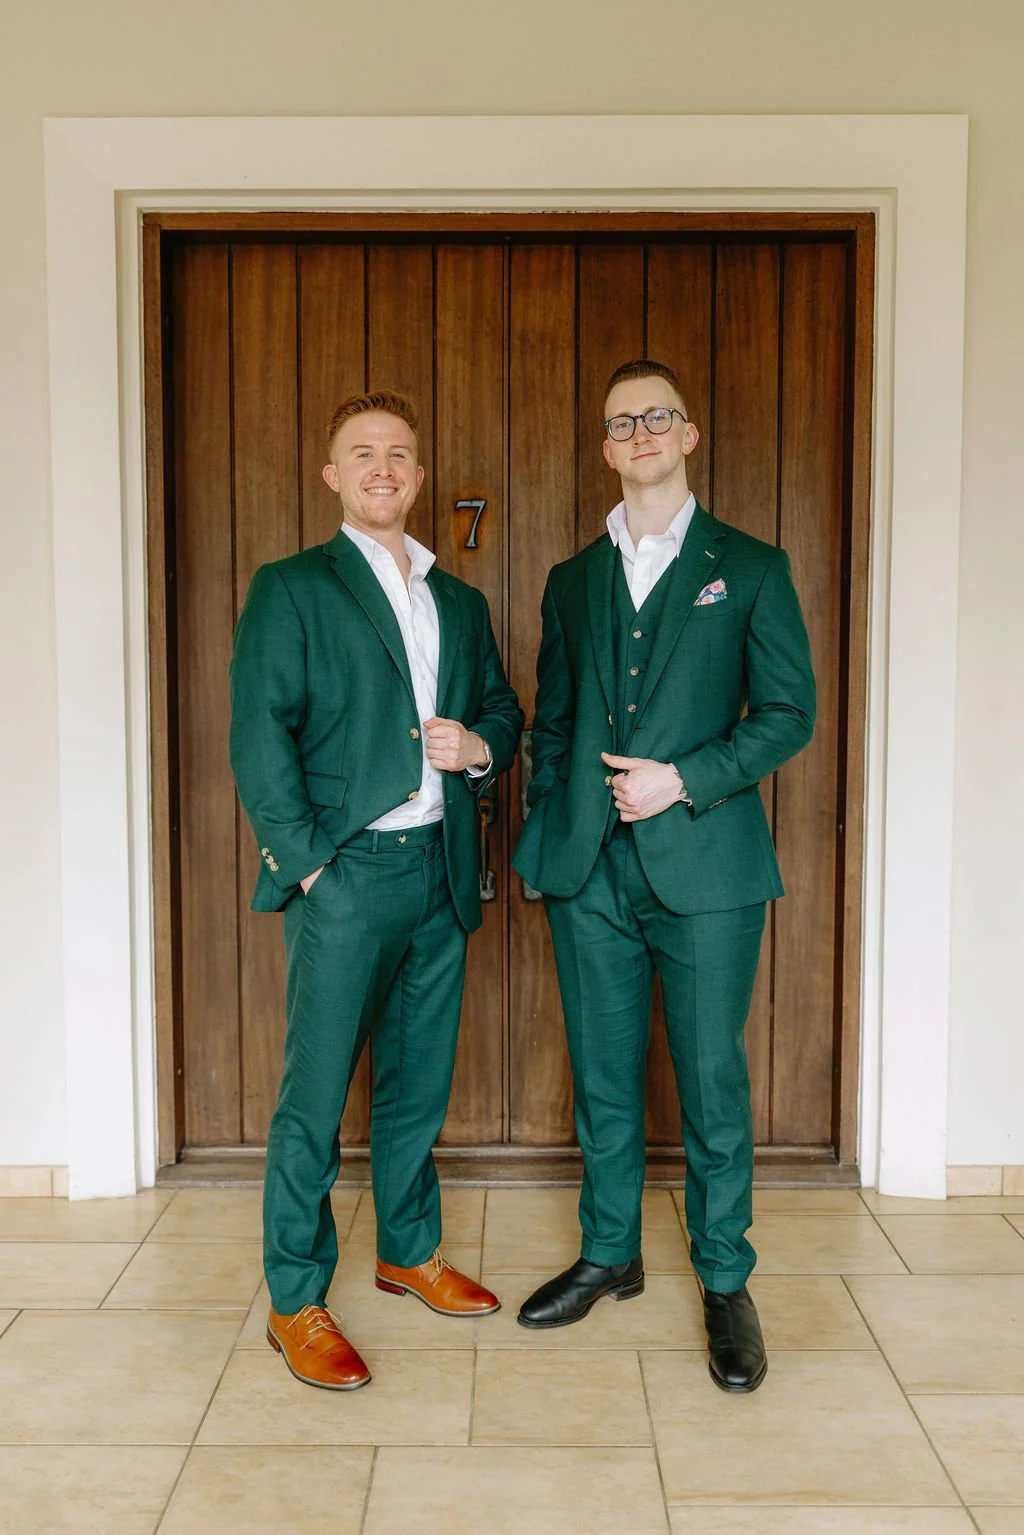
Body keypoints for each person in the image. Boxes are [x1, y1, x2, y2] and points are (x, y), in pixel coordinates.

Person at [513, 359, 815, 1391]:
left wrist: (683, 779)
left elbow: (788, 714)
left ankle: (725, 1279)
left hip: (711, 872)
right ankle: (611, 1252)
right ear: (605, 447)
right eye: (620, 421)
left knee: (709, 1080)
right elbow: (552, 725)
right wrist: (552, 834)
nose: (639, 431)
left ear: (687, 435)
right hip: (588, 871)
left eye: (657, 416)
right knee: (601, 1077)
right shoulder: (571, 579)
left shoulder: (754, 566)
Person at [230, 390, 523, 1391]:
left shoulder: (463, 602)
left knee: (416, 1084)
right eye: (363, 453)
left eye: (400, 453)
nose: (383, 468)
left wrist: (481, 746)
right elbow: (257, 733)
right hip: (344, 875)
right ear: (333, 476)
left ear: (419, 474)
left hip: (440, 870)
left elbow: (502, 713)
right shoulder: (291, 587)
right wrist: (306, 860)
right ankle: (295, 1295)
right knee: (313, 1100)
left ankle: (407, 1250)